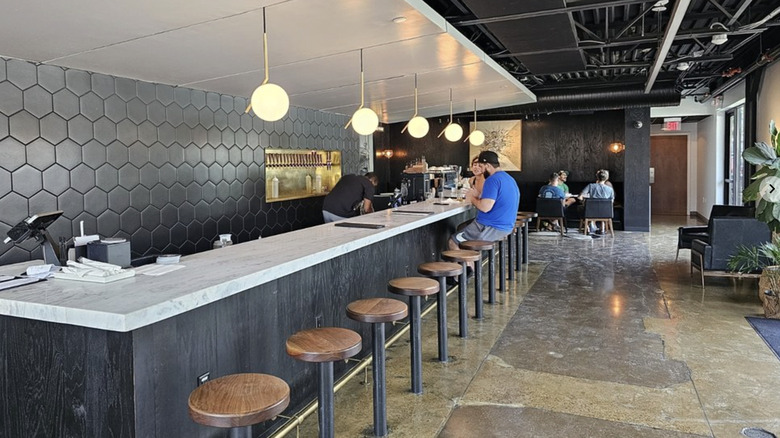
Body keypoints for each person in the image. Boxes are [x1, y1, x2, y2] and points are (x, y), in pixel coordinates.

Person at [449, 151, 520, 272]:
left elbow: (485, 207)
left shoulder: (492, 180)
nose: (481, 170)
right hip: (506, 225)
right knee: (462, 228)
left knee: (453, 241)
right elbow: (497, 200)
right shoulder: (509, 178)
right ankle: (469, 268)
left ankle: (466, 273)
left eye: (481, 166)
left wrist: (472, 198)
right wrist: (478, 196)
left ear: (487, 166)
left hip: (490, 227)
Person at [578, 169, 614, 235]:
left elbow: (580, 196)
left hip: (591, 212)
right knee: (602, 208)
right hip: (605, 213)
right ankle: (602, 228)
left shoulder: (591, 186)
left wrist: (583, 200)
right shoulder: (610, 189)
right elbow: (611, 201)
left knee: (581, 208)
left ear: (597, 177)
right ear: (607, 178)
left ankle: (587, 227)